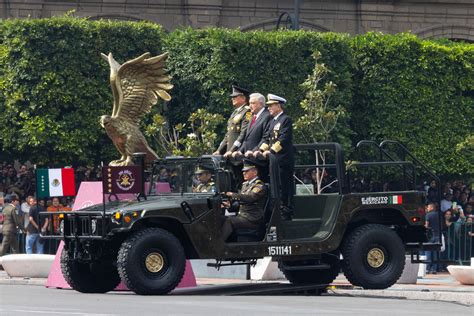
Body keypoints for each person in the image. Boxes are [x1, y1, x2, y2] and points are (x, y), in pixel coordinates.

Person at [256, 93, 294, 220]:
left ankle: (286, 211)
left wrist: (272, 150)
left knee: (284, 185)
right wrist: (260, 150)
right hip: (274, 159)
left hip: (282, 159)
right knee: (275, 184)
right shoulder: (273, 121)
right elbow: (267, 138)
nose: (269, 108)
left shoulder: (285, 119)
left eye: (271, 105)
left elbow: (283, 139)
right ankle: (277, 209)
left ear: (278, 105)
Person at [221, 162, 267, 241]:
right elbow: (241, 202)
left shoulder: (259, 186)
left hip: (252, 218)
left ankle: (218, 244)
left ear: (255, 172)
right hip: (243, 216)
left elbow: (250, 198)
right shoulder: (245, 185)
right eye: (243, 171)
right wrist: (230, 206)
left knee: (229, 221)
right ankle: (229, 243)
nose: (244, 173)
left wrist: (233, 194)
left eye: (246, 171)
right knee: (220, 219)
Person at [213, 85, 251, 157]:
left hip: (239, 152)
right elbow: (228, 134)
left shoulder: (248, 111)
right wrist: (219, 150)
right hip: (230, 152)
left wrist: (232, 150)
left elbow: (244, 133)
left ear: (243, 98)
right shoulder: (235, 112)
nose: (232, 99)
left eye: (235, 97)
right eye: (232, 97)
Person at [232, 93, 272, 158]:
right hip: (247, 156)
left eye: (253, 103)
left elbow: (265, 138)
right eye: (249, 103)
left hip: (258, 157)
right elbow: (247, 138)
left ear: (261, 103)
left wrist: (255, 151)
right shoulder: (252, 116)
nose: (250, 106)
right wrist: (240, 151)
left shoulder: (267, 116)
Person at [424, 202, 440, 274]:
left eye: (428, 207)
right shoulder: (439, 215)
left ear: (432, 208)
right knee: (435, 252)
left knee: (428, 252)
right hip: (438, 235)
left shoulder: (428, 215)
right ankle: (434, 269)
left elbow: (426, 226)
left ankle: (427, 268)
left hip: (430, 235)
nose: (427, 208)